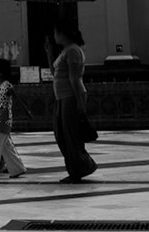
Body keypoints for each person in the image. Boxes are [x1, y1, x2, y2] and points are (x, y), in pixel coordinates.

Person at [50, 27, 97, 183]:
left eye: (56, 32)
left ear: (63, 33)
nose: (54, 35)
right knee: (61, 135)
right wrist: (49, 52)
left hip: (70, 97)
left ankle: (80, 168)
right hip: (62, 98)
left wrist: (80, 102)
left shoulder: (73, 51)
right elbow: (54, 72)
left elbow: (75, 79)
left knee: (71, 136)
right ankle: (76, 168)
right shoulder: (65, 51)